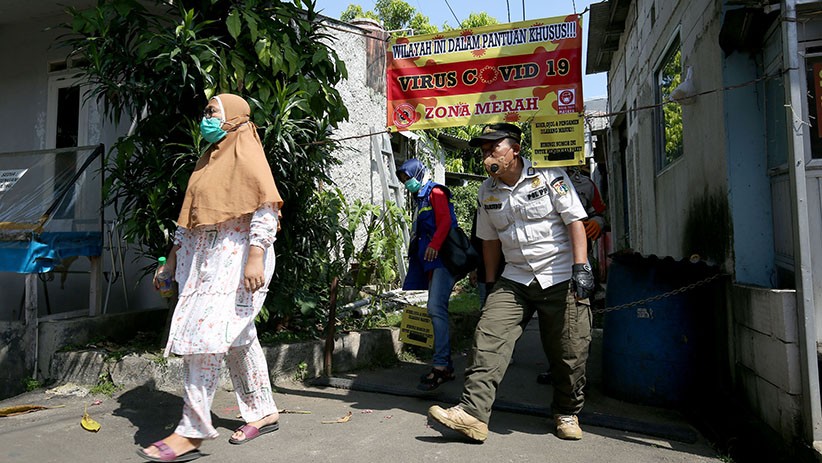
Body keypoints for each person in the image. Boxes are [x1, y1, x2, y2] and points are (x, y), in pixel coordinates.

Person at [137, 94, 283, 462]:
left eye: (212, 113)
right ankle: (263, 410)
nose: (206, 119)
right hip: (203, 263)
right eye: (205, 112)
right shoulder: (206, 163)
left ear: (234, 120)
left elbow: (266, 210)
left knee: (205, 337)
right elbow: (189, 222)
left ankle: (192, 430)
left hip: (238, 261)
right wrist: (169, 263)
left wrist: (255, 258)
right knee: (237, 336)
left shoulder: (248, 156)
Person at [427, 122, 595, 441]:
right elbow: (489, 242)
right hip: (515, 278)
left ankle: (566, 411)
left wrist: (581, 267)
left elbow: (575, 220)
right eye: (484, 149)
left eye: (494, 147)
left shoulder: (550, 177)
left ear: (515, 150)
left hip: (560, 275)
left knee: (570, 352)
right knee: (488, 335)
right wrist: (491, 284)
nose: (487, 153)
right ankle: (473, 414)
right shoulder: (485, 191)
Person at [536, 165, 606, 385]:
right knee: (551, 320)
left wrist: (598, 223)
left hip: (580, 260)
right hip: (548, 262)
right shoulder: (534, 180)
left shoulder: (586, 184)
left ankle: (579, 372)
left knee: (579, 318)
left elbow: (601, 213)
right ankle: (555, 367)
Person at [396, 159, 459, 391]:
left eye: (408, 178)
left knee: (435, 309)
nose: (406, 183)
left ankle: (441, 366)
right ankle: (446, 365)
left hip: (442, 259)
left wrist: (434, 244)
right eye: (403, 180)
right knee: (437, 309)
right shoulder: (420, 196)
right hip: (431, 262)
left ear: (418, 173)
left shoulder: (436, 191)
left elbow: (445, 222)